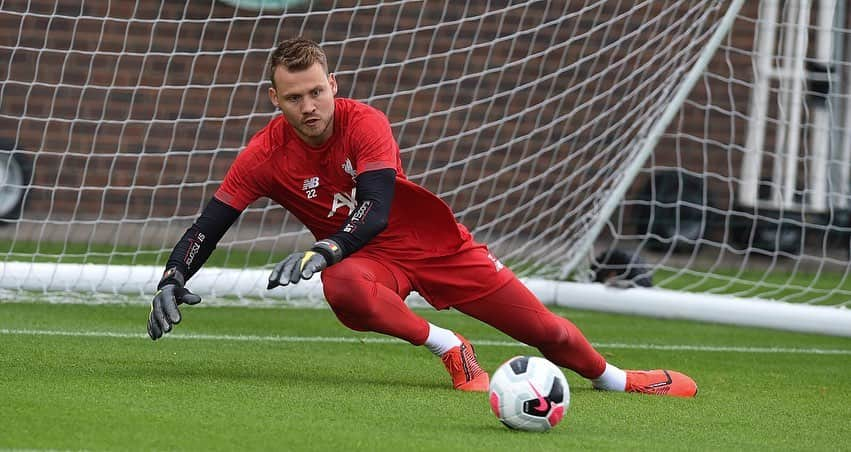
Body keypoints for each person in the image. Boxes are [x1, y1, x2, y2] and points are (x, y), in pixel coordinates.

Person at [146, 37, 697, 397]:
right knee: (341, 287)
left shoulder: (365, 123)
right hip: (369, 263)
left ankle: (620, 381)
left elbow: (377, 208)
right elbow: (207, 226)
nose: (309, 106)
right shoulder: (263, 156)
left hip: (441, 249)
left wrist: (324, 246)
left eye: (317, 91)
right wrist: (174, 274)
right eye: (294, 98)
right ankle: (451, 348)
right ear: (274, 99)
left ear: (333, 86)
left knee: (547, 330)